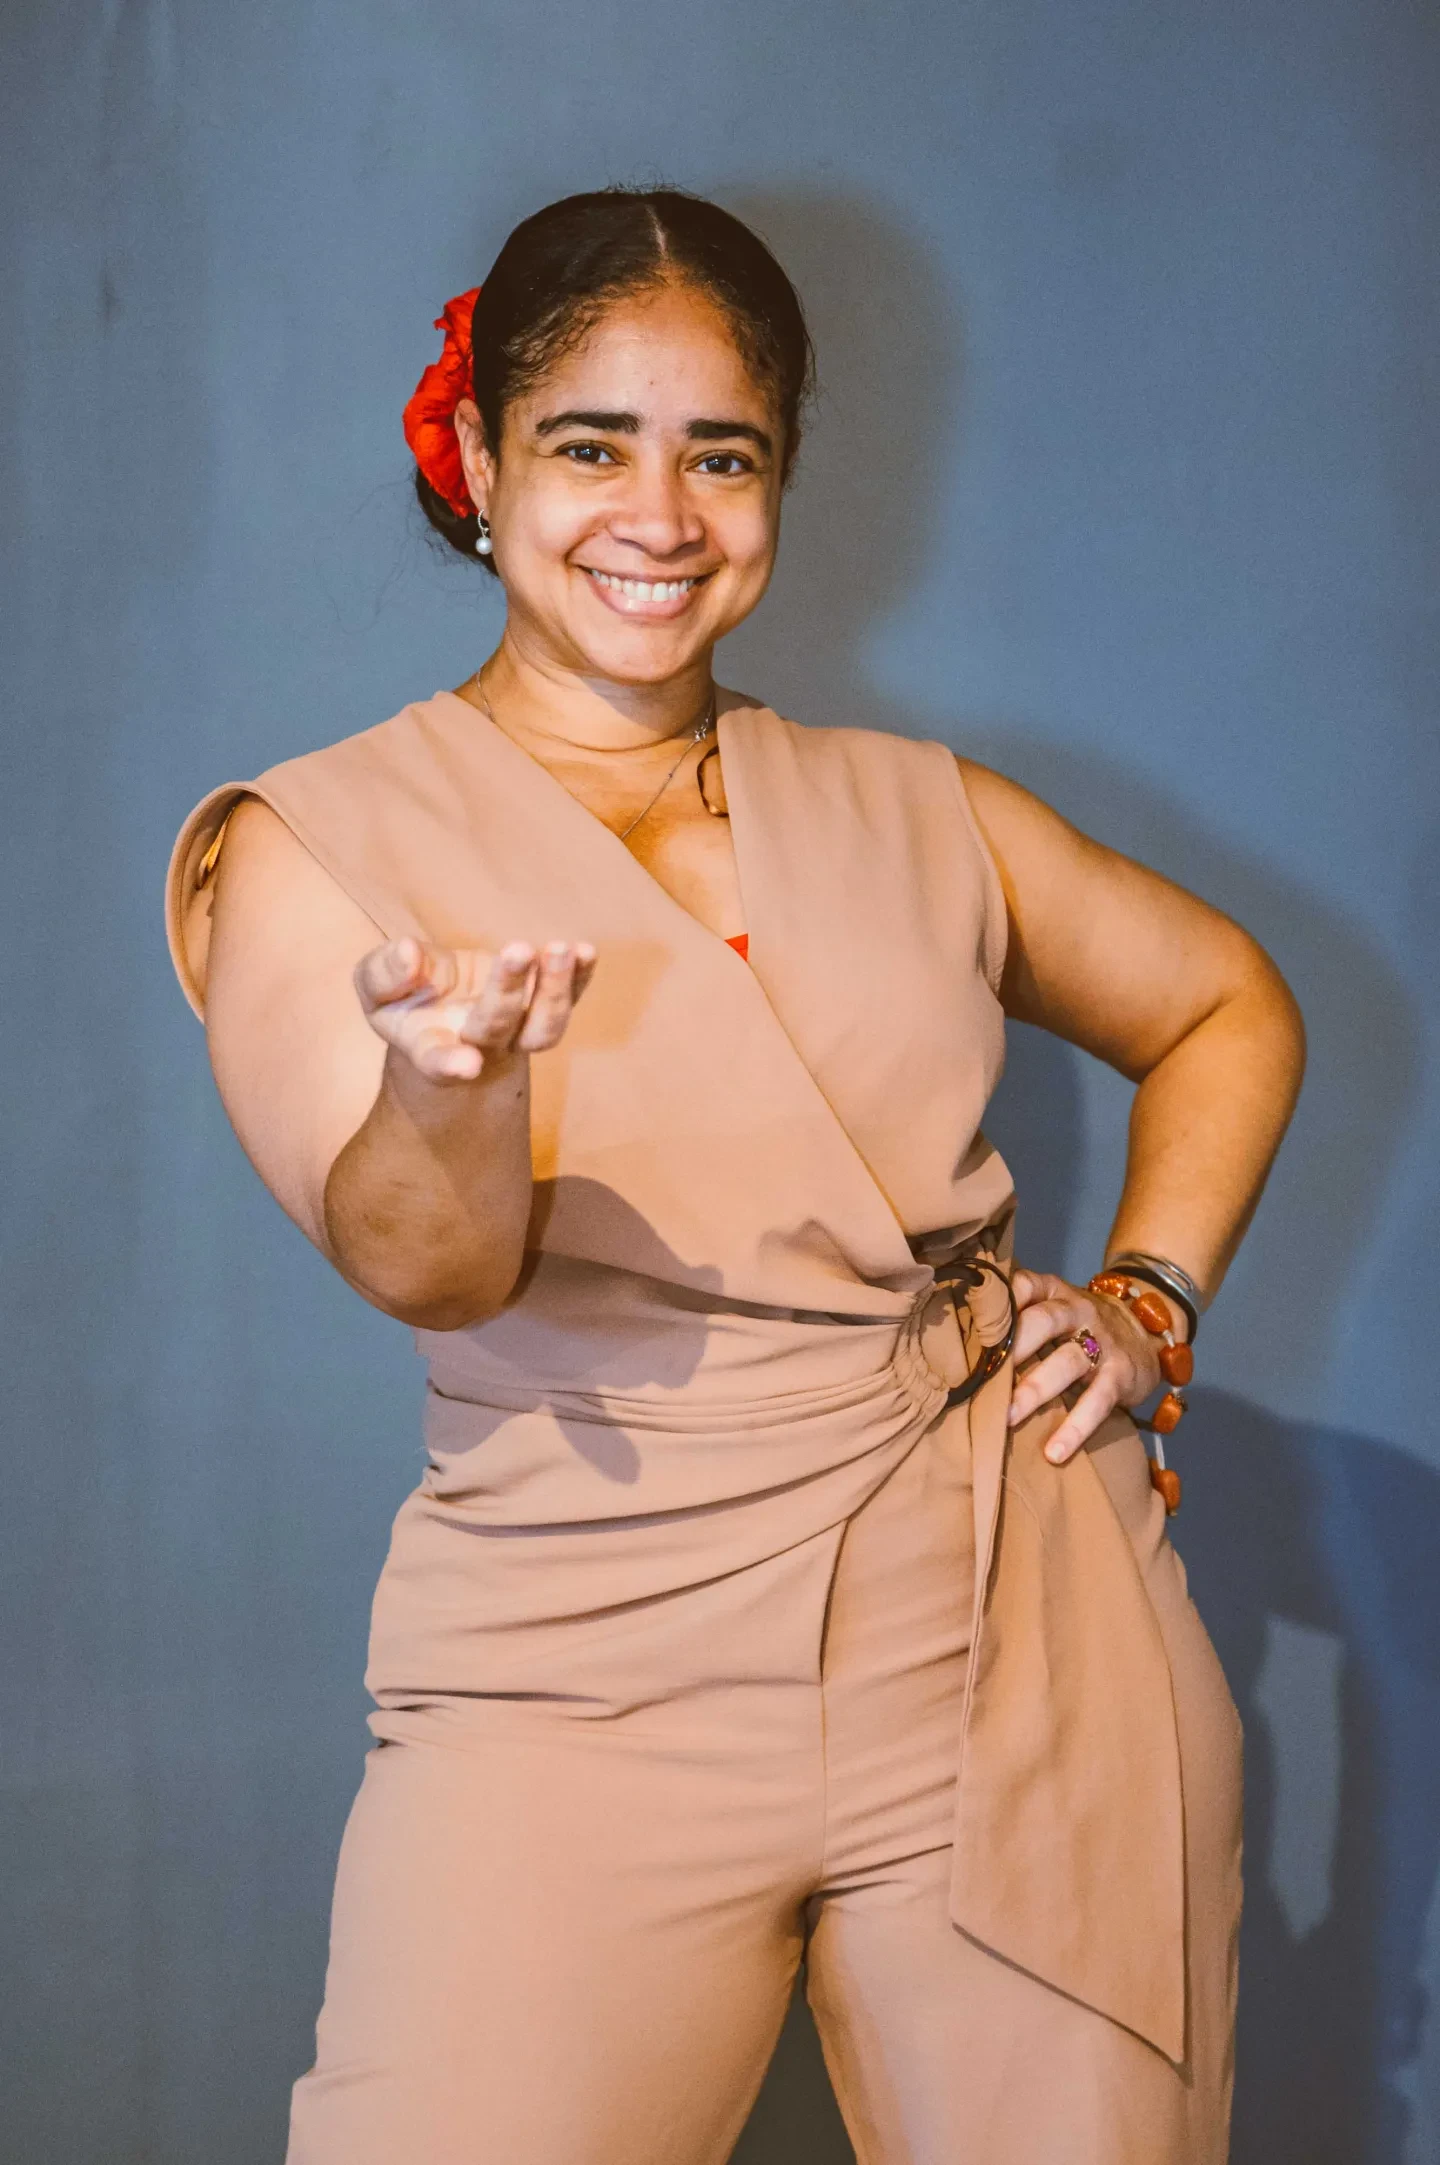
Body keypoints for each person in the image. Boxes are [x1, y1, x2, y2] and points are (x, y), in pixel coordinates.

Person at [165, 187, 1304, 2165]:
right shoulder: (320, 837)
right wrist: (451, 1088)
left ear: (779, 481)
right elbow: (423, 1267)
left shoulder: (915, 802)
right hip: (575, 1686)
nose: (660, 512)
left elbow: (1228, 1002)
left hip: (1016, 1646)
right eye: (593, 442)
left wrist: (1145, 1299)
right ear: (479, 456)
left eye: (725, 452)